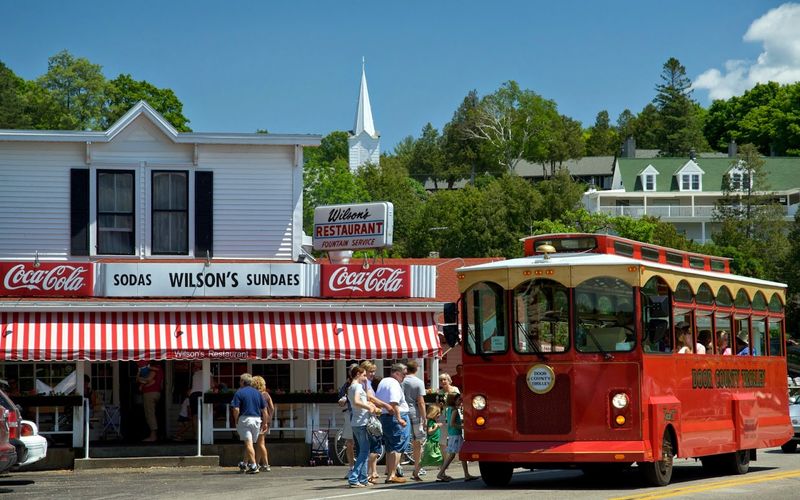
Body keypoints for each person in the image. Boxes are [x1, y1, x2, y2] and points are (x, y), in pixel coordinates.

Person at [375, 363, 409, 484]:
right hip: (395, 416)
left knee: (390, 447)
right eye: (404, 374)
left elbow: (377, 399)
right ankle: (392, 475)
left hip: (384, 416)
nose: (405, 376)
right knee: (398, 446)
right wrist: (399, 418)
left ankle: (390, 473)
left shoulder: (383, 381)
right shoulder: (394, 384)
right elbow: (394, 403)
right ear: (397, 373)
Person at [347, 365, 378, 488]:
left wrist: (368, 403)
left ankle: (363, 478)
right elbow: (356, 402)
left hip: (356, 421)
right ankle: (354, 478)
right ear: (358, 374)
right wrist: (369, 407)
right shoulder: (357, 386)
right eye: (364, 375)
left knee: (363, 451)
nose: (365, 378)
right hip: (361, 422)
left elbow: (357, 402)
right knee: (364, 451)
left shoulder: (351, 387)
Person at [360, 361, 391, 483]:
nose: (373, 374)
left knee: (371, 446)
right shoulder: (365, 383)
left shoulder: (366, 383)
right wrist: (385, 405)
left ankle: (373, 472)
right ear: (364, 371)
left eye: (374, 371)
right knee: (374, 446)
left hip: (370, 416)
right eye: (370, 371)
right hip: (369, 418)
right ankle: (369, 473)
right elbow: (370, 398)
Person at [230, 373, 268, 474]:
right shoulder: (258, 393)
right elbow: (264, 410)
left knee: (248, 443)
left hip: (245, 419)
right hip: (257, 420)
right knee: (250, 443)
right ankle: (244, 463)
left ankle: (254, 465)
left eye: (240, 381)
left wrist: (236, 419)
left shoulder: (239, 393)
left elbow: (236, 409)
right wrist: (265, 423)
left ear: (242, 381)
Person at [437, 393, 478, 482]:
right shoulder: (454, 410)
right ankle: (441, 473)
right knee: (455, 454)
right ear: (453, 401)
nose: (461, 401)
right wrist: (463, 427)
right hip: (456, 434)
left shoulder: (448, 409)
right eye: (459, 399)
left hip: (452, 434)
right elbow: (452, 423)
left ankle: (466, 474)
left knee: (457, 454)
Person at [402, 360, 427, 481]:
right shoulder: (418, 382)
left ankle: (395, 467)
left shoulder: (401, 381)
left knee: (401, 440)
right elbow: (421, 402)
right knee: (417, 441)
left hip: (402, 412)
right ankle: (417, 468)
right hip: (414, 413)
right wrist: (424, 417)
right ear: (416, 369)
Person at [338, 364, 358, 476]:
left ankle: (362, 468)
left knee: (362, 442)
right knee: (349, 442)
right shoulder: (346, 385)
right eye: (351, 371)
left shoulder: (363, 383)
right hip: (349, 414)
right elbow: (340, 400)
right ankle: (351, 467)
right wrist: (342, 400)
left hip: (361, 414)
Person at [251, 375, 274, 472]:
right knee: (260, 443)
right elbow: (272, 408)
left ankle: (266, 464)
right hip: (266, 420)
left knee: (260, 443)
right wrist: (270, 417)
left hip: (259, 419)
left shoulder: (255, 395)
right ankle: (257, 463)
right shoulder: (266, 394)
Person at [136, 361, 163, 442]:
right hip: (156, 392)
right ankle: (155, 434)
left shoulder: (154, 369)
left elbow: (147, 380)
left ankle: (153, 436)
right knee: (151, 413)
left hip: (150, 393)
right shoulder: (159, 370)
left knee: (150, 413)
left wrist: (139, 378)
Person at [419, 404, 443, 468]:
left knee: (439, 458)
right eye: (438, 413)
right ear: (433, 413)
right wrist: (436, 427)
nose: (439, 415)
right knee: (438, 458)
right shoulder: (431, 422)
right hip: (431, 443)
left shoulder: (433, 421)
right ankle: (442, 473)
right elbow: (429, 432)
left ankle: (442, 473)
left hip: (435, 443)